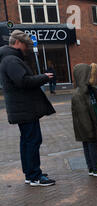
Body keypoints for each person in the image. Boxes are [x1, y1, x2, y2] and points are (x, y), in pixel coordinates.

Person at [0, 30, 56, 186]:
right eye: (26, 45)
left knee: (27, 141)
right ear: (18, 42)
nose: (27, 49)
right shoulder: (11, 60)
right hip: (25, 109)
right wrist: (43, 77)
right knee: (32, 141)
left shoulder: (9, 58)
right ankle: (34, 176)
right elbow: (23, 81)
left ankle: (30, 174)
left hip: (22, 109)